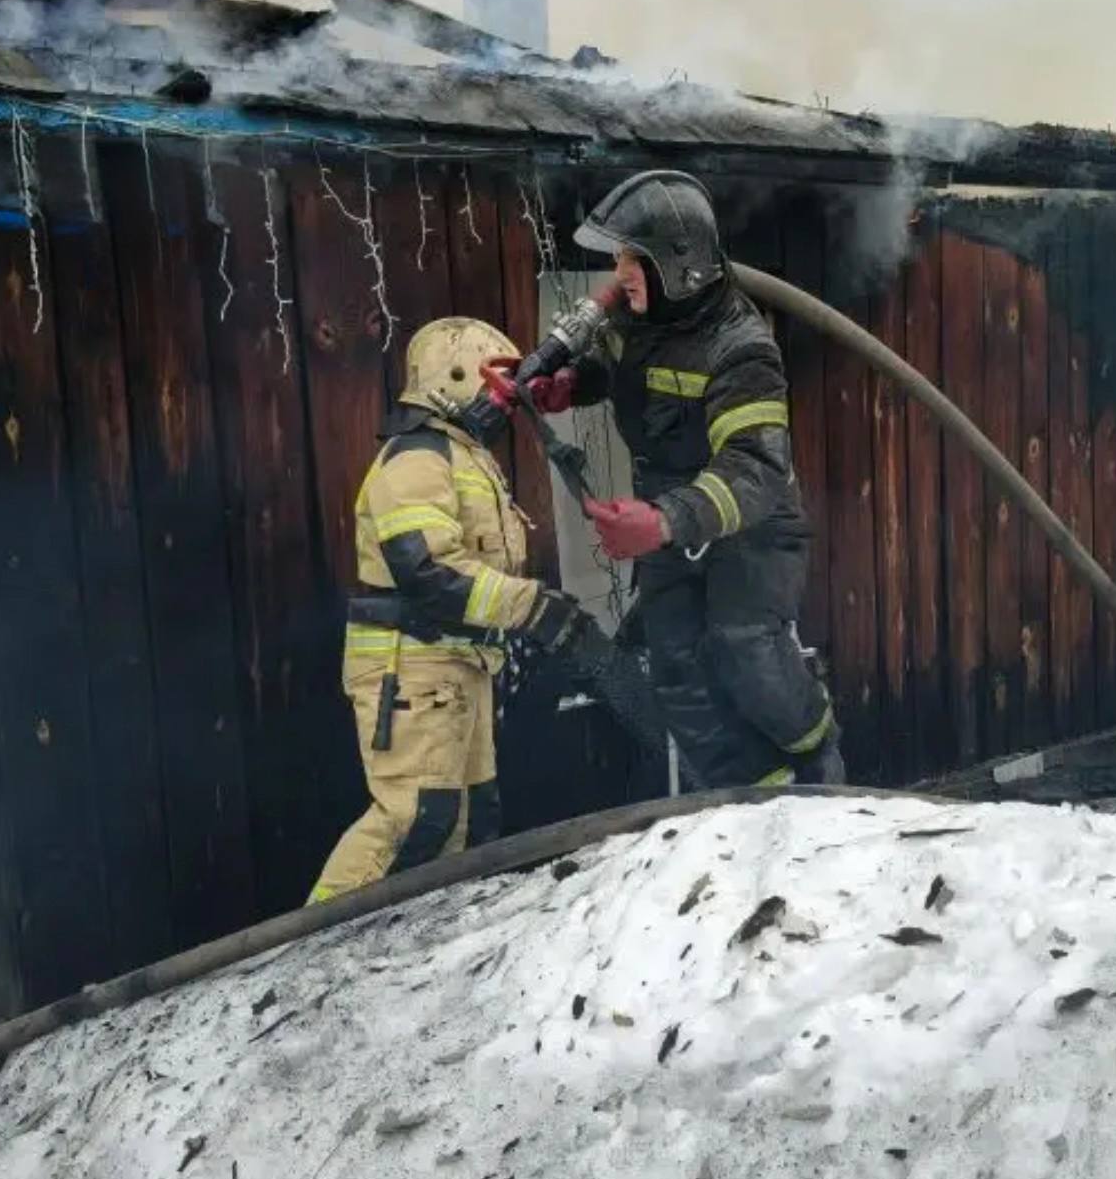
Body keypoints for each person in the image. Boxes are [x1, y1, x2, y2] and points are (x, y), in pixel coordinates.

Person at [527, 169, 844, 791]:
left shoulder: (743, 348)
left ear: (680, 267)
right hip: (669, 523)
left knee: (744, 646)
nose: (619, 276)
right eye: (618, 259)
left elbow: (756, 471)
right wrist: (569, 386)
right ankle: (756, 789)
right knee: (677, 669)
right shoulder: (639, 323)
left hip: (748, 524)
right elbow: (618, 371)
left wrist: (665, 520)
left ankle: (820, 763)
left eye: (631, 260)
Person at [308, 317, 600, 904]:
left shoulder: (463, 457)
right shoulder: (416, 459)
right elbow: (429, 572)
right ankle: (308, 953)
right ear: (454, 373)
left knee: (465, 820)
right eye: (496, 383)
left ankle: (423, 956)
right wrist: (529, 608)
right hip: (410, 669)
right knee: (413, 818)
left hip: (457, 668)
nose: (505, 400)